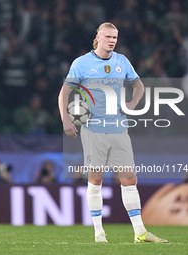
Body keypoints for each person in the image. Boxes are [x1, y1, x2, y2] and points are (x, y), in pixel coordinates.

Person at [58, 22, 167, 243]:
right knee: (95, 180)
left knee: (129, 179)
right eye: (108, 36)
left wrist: (133, 103)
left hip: (119, 129)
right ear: (97, 36)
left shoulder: (121, 61)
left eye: (115, 37)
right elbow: (64, 94)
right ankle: (99, 233)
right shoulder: (82, 63)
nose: (112, 40)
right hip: (93, 129)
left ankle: (140, 232)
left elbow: (139, 86)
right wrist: (66, 119)